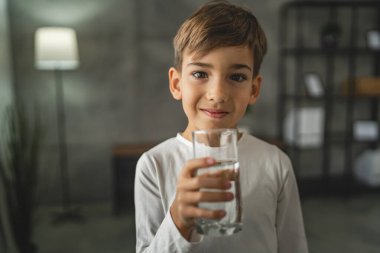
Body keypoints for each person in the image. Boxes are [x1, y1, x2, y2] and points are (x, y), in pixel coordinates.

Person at [134, 1, 308, 252]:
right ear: (176, 83)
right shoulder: (154, 165)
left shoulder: (275, 163)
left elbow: (294, 247)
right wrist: (178, 221)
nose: (217, 94)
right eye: (200, 74)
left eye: (237, 77)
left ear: (254, 89)